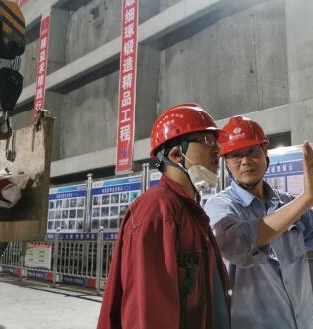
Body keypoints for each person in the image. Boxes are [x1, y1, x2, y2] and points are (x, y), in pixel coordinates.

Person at [204, 116, 313, 329]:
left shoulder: (287, 203)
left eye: (252, 151)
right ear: (226, 162)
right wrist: (306, 199)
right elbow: (237, 244)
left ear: (265, 151)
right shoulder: (219, 207)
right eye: (236, 155)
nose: (245, 161)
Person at [97, 104, 231, 329]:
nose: (217, 149)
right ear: (176, 154)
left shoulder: (190, 211)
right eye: (206, 141)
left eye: (216, 142)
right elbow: (147, 314)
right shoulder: (157, 211)